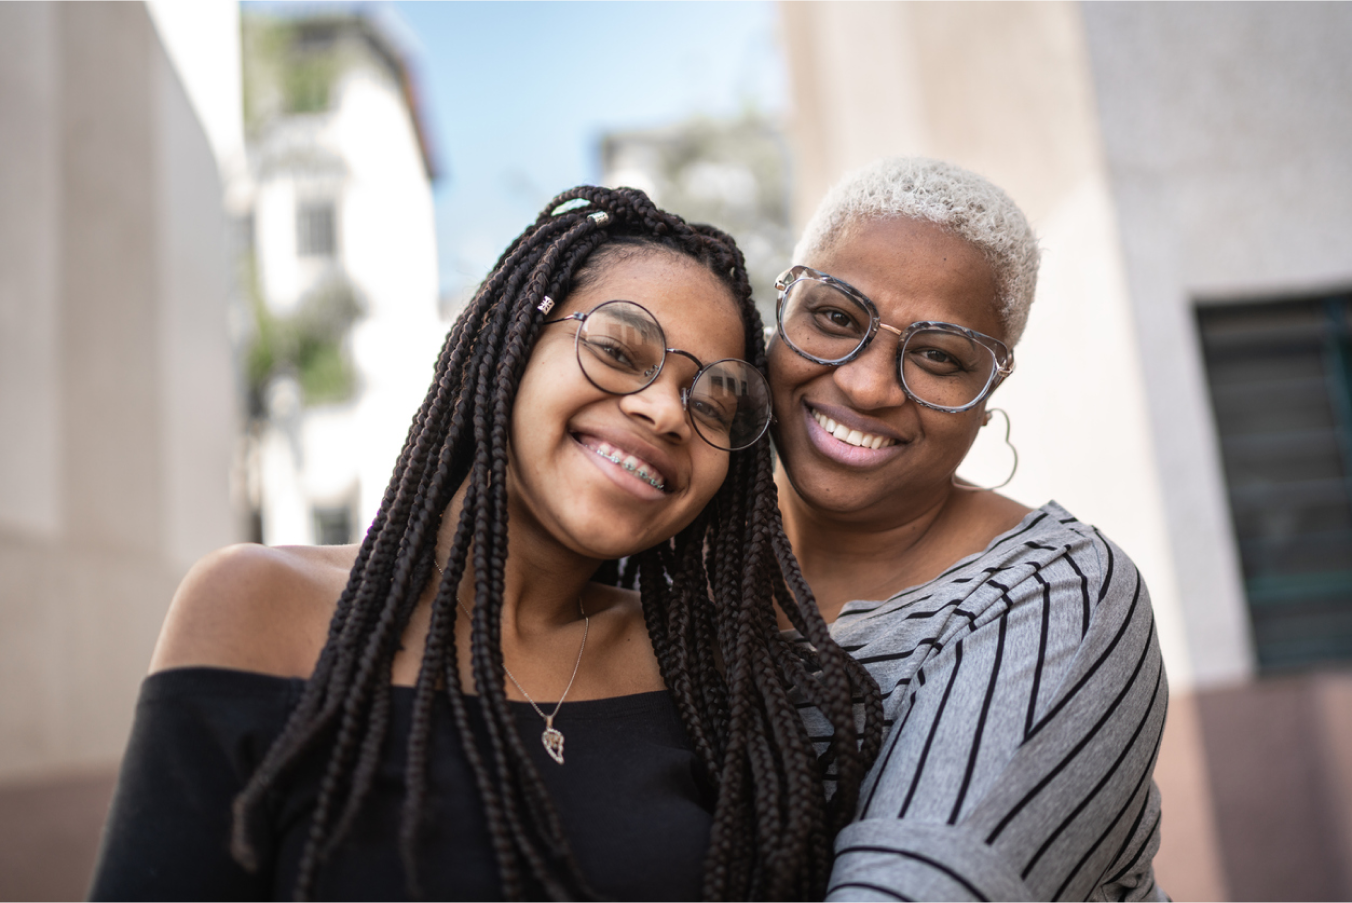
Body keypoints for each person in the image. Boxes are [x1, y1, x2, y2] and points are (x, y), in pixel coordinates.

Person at [86, 186, 884, 903]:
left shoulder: (715, 678)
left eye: (715, 400)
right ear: (508, 345)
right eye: (617, 349)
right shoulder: (262, 608)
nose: (667, 413)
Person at [768, 158, 1168, 902]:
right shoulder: (661, 562)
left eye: (938, 356)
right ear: (780, 313)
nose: (866, 383)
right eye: (835, 317)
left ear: (990, 393)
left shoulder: (1057, 594)